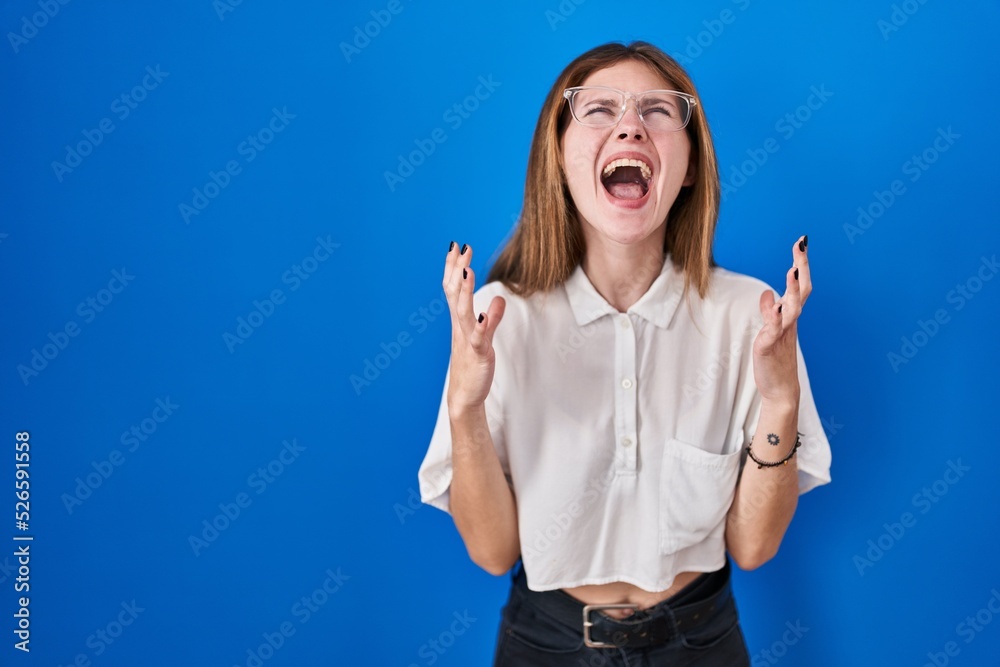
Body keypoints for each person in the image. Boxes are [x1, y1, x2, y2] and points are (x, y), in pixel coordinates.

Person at [418, 41, 831, 666]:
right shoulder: (498, 316)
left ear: (690, 165)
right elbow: (492, 552)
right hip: (544, 645)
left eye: (659, 112)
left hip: (701, 643)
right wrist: (466, 407)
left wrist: (779, 399)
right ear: (558, 157)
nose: (631, 124)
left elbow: (753, 548)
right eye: (599, 110)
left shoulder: (754, 315)